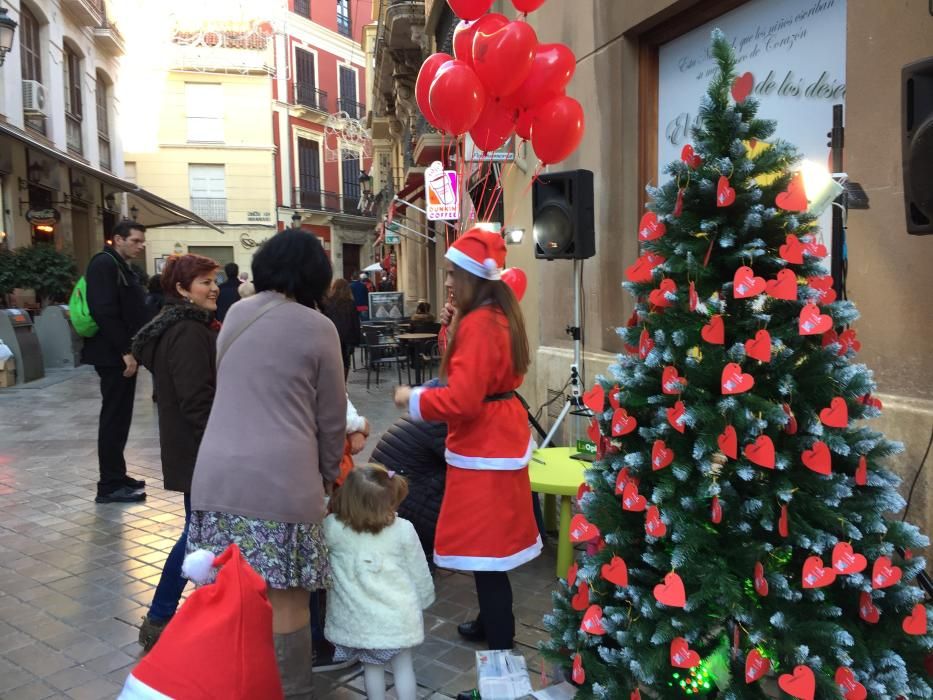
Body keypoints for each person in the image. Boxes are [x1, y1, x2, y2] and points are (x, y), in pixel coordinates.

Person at [186, 229, 346, 699]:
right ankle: (288, 691)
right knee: (287, 598)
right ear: (316, 273)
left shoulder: (235, 312)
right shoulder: (319, 327)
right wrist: (329, 474)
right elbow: (331, 417)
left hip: (216, 475)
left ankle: (228, 683)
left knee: (226, 593)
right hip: (282, 478)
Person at [394, 228, 540, 650]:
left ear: (473, 277)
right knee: (491, 547)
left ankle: (500, 645)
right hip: (498, 442)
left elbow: (462, 399)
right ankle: (493, 623)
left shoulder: (480, 323)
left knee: (485, 549)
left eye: (454, 273)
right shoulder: (497, 315)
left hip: (483, 447)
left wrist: (414, 398)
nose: (447, 282)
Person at [132, 254, 220, 652]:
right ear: (182, 290)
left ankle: (184, 613)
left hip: (192, 449)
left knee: (201, 533)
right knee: (196, 534)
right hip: (200, 449)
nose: (214, 287)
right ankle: (161, 615)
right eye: (204, 281)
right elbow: (196, 401)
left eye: (214, 279)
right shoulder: (187, 330)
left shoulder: (185, 325)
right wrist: (221, 446)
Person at [324, 464, 435, 700]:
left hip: (359, 619)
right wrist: (424, 599)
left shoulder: (333, 527)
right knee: (403, 667)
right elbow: (419, 570)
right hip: (398, 618)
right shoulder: (403, 530)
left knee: (371, 668)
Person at [82, 220, 149, 504]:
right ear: (118, 239)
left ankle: (117, 475)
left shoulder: (121, 266)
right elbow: (104, 310)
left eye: (142, 241)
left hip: (122, 353)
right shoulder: (103, 264)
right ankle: (108, 485)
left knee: (120, 418)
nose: (140, 245)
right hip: (113, 356)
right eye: (135, 240)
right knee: (113, 418)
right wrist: (125, 351)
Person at [371, 416, 447, 562]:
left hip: (387, 499)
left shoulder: (428, 414)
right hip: (405, 505)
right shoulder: (441, 427)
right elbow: (472, 463)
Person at [323, 278, 361, 380]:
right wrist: (357, 340)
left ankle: (334, 384)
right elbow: (355, 323)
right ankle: (343, 386)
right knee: (345, 362)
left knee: (332, 362)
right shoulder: (350, 304)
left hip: (331, 338)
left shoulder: (327, 303)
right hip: (346, 339)